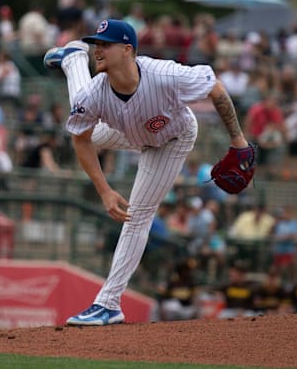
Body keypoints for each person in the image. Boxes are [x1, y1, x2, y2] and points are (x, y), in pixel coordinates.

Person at [45, 19, 253, 326]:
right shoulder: (96, 93)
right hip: (125, 131)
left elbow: (216, 88)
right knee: (82, 113)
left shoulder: (165, 74)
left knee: (138, 216)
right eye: (95, 45)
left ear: (128, 50)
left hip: (172, 139)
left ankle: (108, 303)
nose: (98, 50)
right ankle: (73, 59)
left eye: (105, 44)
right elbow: (81, 140)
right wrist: (104, 190)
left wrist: (238, 142)